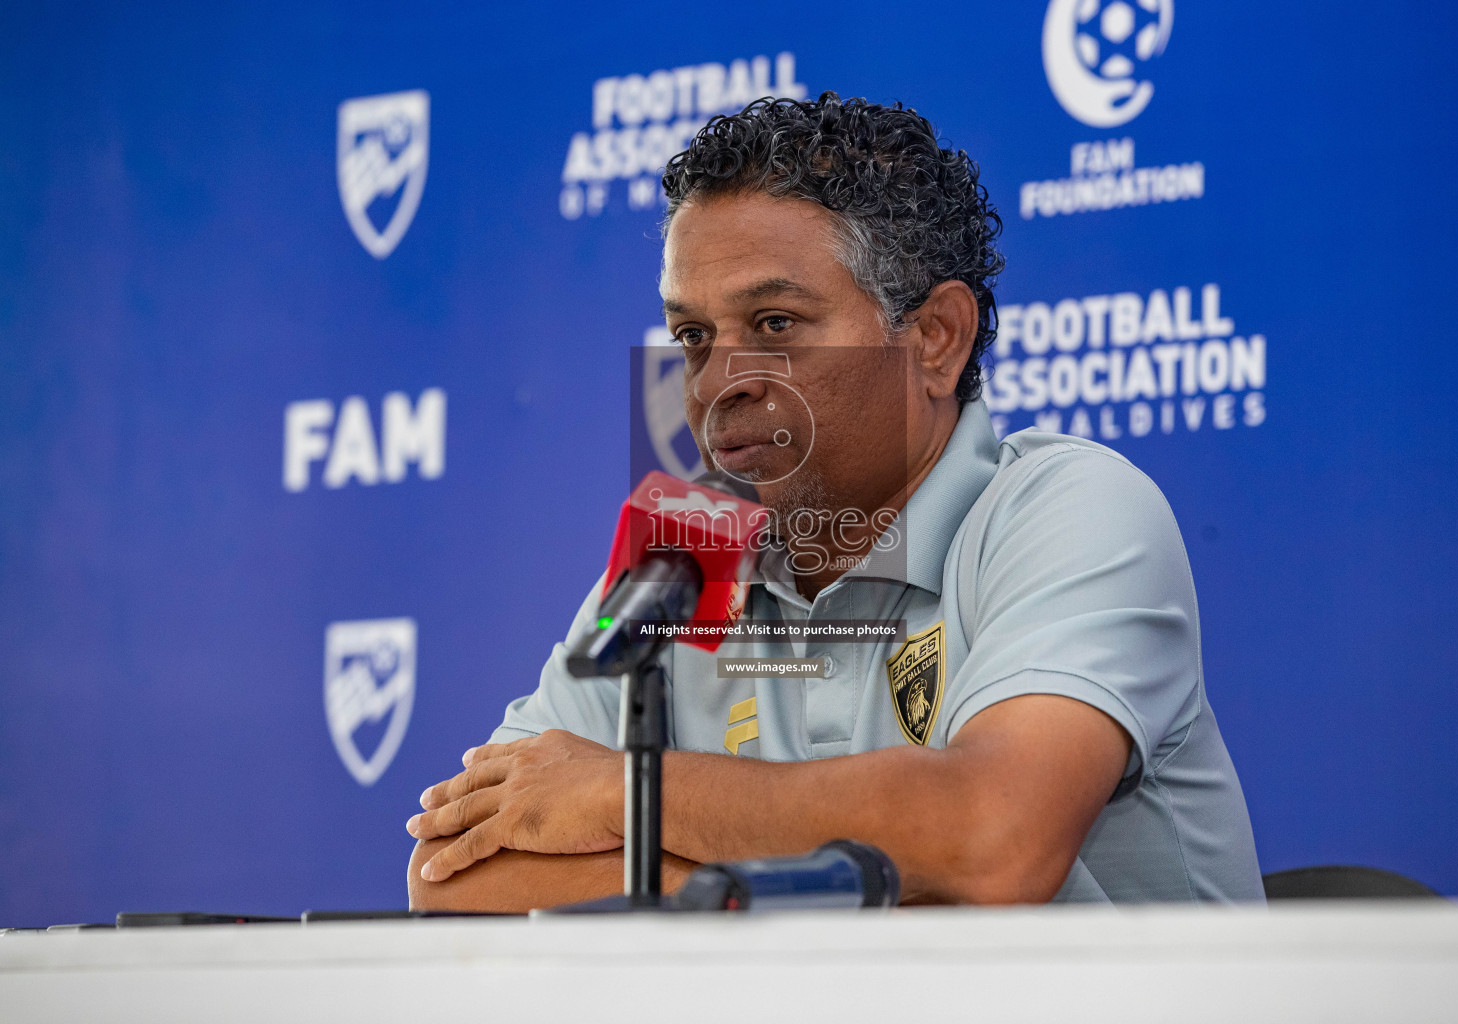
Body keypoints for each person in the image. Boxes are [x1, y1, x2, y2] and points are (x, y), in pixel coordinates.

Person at [405, 93, 1263, 910]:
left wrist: (630, 799)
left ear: (935, 339)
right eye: (693, 337)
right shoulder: (688, 548)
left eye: (775, 324)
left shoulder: (1065, 507)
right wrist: (772, 894)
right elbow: (450, 872)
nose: (716, 384)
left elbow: (994, 838)